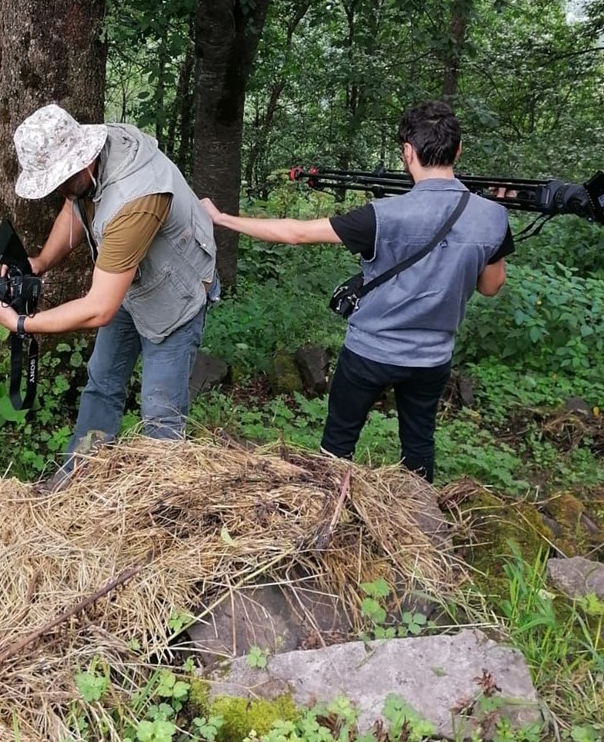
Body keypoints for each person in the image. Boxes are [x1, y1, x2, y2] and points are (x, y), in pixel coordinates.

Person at [202, 101, 514, 482]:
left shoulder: (383, 215)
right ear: (459, 150)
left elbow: (296, 233)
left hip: (370, 351)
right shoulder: (493, 216)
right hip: (432, 358)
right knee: (418, 446)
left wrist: (220, 218)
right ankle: (418, 528)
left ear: (407, 152)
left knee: (338, 443)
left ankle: (330, 517)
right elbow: (492, 286)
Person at [0, 104, 218, 477]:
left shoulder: (134, 200)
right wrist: (38, 263)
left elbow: (99, 308)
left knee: (160, 412)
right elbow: (75, 209)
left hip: (174, 296)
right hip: (128, 282)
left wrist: (23, 323)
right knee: (102, 381)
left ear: (81, 164)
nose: (56, 191)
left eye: (58, 181)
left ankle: (161, 509)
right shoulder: (89, 158)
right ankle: (79, 478)